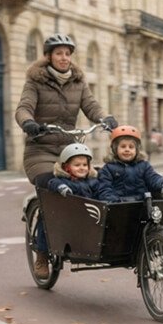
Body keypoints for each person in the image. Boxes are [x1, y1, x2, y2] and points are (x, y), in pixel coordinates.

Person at [16, 33, 115, 280]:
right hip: (39, 151)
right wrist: (28, 123)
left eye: (67, 53)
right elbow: (24, 108)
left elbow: (91, 106)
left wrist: (104, 118)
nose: (64, 58)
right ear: (48, 56)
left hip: (67, 152)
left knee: (95, 181)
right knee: (53, 193)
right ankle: (41, 253)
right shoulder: (35, 82)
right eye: (59, 53)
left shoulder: (78, 82)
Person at [101, 125, 163, 202]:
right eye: (123, 146)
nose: (127, 150)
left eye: (131, 147)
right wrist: (112, 201)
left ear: (137, 150)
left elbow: (153, 177)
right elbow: (105, 187)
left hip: (142, 204)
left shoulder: (143, 165)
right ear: (115, 149)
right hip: (119, 205)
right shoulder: (108, 168)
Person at [48, 144, 115, 201]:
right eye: (77, 165)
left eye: (85, 165)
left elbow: (101, 191)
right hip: (73, 209)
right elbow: (53, 182)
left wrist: (108, 198)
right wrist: (62, 187)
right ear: (66, 167)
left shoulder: (92, 181)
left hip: (91, 210)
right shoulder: (65, 181)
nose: (82, 168)